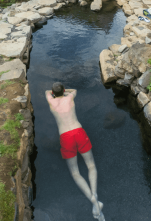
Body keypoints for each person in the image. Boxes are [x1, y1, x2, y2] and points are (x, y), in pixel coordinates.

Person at [45, 82, 105, 221]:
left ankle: (94, 203)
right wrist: (65, 91)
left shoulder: (50, 100)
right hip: (78, 131)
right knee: (91, 166)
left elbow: (47, 91)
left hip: (65, 136)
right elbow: (75, 89)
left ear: (53, 93)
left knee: (75, 172)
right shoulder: (70, 97)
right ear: (64, 91)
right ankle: (95, 196)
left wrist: (55, 92)